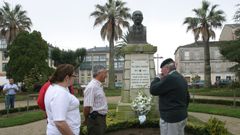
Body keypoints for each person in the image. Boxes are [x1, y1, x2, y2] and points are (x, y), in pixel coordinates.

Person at [150, 58, 190, 135]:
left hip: (171, 119)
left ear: (167, 69)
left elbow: (153, 90)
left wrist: (157, 78)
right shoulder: (182, 78)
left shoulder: (170, 78)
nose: (161, 72)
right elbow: (187, 97)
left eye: (162, 70)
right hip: (182, 115)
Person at [44, 64, 80, 135]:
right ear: (67, 78)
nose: (75, 78)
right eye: (74, 76)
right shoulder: (60, 93)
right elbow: (60, 122)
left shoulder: (54, 87)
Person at [83, 65, 108, 135]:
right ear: (99, 73)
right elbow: (86, 107)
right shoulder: (92, 87)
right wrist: (86, 119)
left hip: (99, 119)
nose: (106, 76)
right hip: (95, 120)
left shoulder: (98, 86)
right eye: (105, 73)